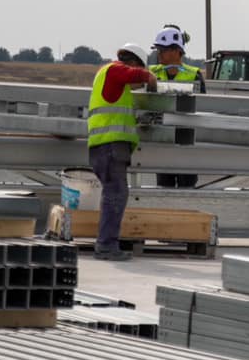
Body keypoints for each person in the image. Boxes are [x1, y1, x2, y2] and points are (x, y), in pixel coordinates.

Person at [86, 43, 157, 261]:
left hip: (105, 146)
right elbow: (136, 74)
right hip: (110, 146)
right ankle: (106, 246)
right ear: (133, 62)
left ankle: (106, 243)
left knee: (114, 194)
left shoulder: (109, 78)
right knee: (115, 195)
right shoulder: (115, 70)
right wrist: (150, 78)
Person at [149, 25, 202, 190]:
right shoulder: (152, 73)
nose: (158, 54)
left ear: (176, 51)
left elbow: (202, 106)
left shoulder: (194, 74)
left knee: (187, 189)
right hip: (162, 139)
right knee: (164, 188)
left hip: (186, 139)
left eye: (162, 50)